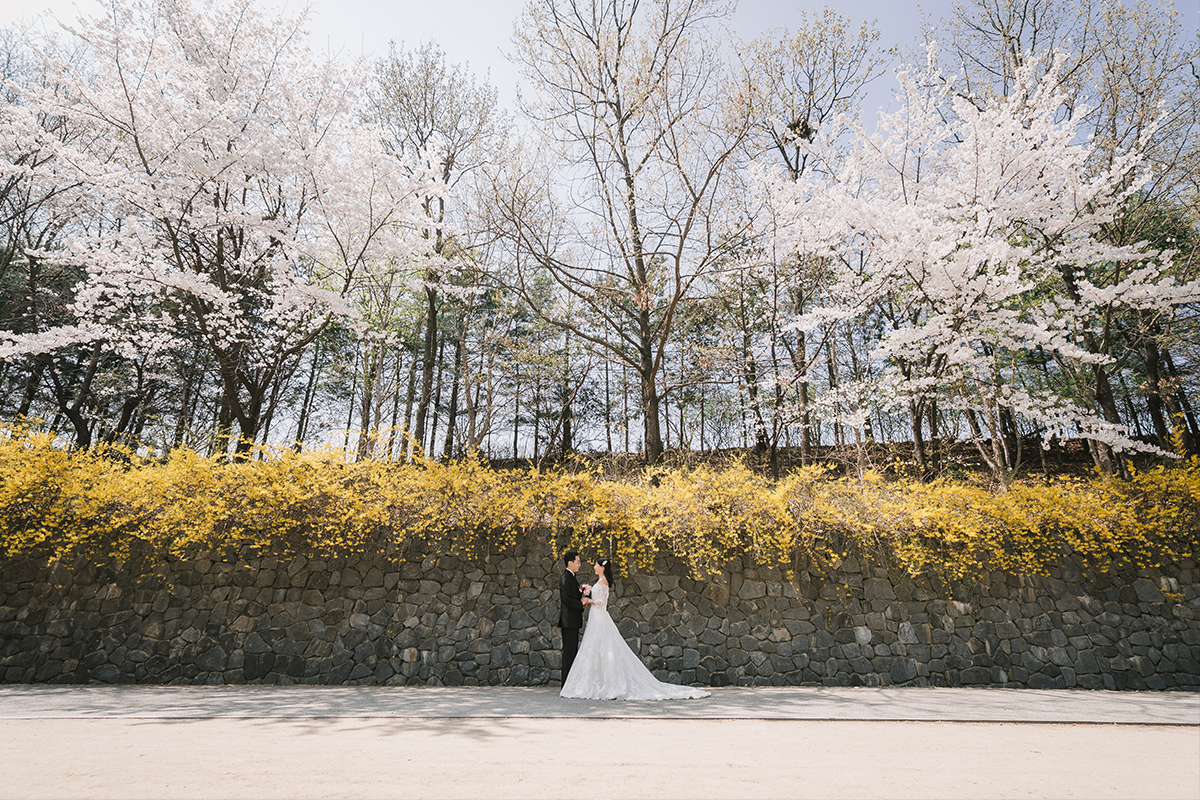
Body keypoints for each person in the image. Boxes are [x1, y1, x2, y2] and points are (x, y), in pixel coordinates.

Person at [560, 557, 710, 701]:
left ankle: (605, 683)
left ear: (602, 567)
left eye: (596, 565)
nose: (593, 567)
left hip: (599, 616)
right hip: (595, 617)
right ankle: (594, 681)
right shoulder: (599, 581)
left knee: (602, 646)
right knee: (594, 648)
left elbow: (602, 601)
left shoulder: (603, 581)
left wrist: (589, 600)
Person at [557, 550, 586, 684]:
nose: (579, 565)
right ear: (570, 563)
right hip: (568, 622)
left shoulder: (572, 577)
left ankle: (570, 683)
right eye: (578, 562)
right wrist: (580, 604)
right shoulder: (565, 577)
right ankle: (566, 684)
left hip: (573, 621)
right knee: (568, 654)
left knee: (572, 653)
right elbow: (566, 599)